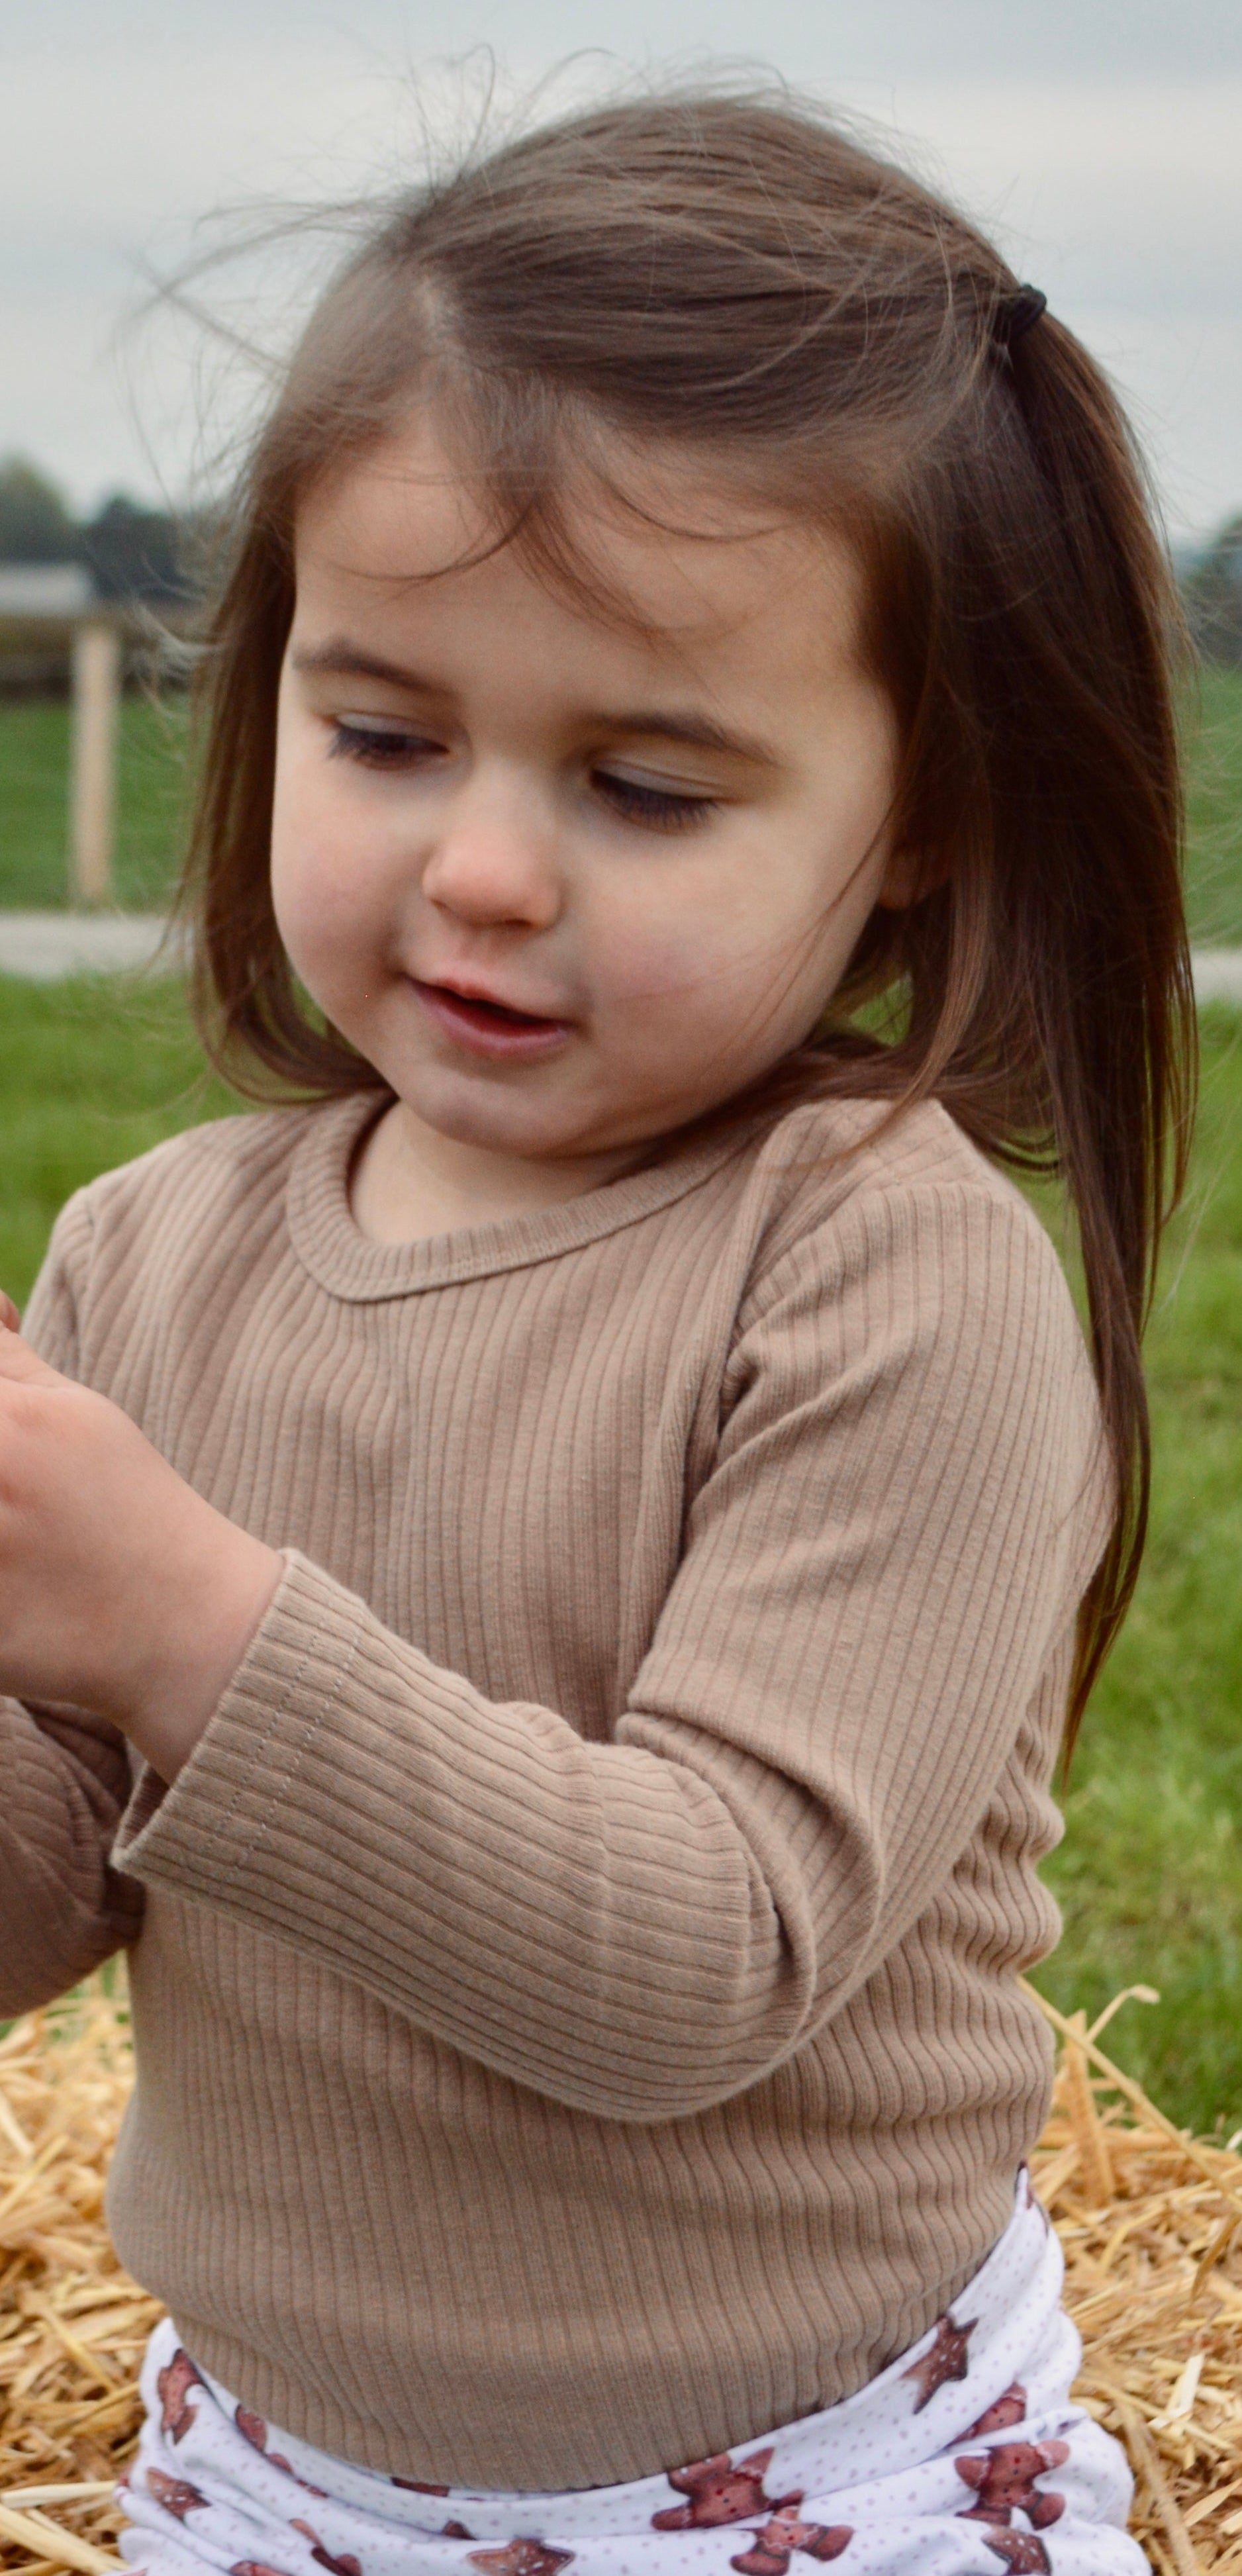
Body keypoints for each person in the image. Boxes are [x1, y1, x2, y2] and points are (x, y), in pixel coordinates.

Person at [0, 87, 1192, 2576]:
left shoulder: (880, 1256)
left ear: (927, 805)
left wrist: (177, 1613)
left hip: (801, 2492)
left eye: (645, 782)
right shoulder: (149, 1248)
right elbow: (57, 1862)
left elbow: (695, 1957)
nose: (481, 866)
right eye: (385, 731)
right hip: (266, 2474)